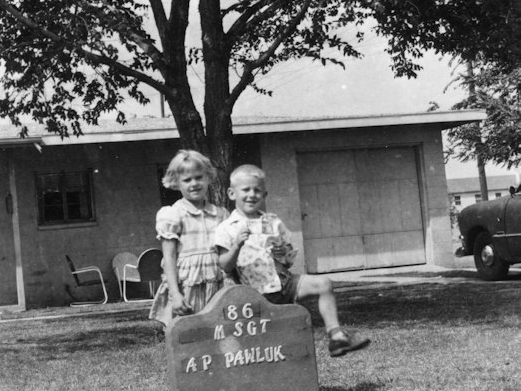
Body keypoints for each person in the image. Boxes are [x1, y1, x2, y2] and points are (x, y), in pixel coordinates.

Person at [214, 164, 370, 357]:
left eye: (257, 190)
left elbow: (288, 261)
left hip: (285, 283)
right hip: (255, 293)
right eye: (245, 190)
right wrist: (237, 245)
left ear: (265, 195)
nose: (252, 195)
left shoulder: (273, 222)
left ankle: (336, 337)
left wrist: (282, 252)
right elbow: (225, 265)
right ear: (231, 193)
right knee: (270, 343)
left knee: (324, 283)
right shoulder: (227, 228)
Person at [149, 150, 230, 326]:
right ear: (177, 183)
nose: (194, 184)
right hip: (188, 287)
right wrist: (175, 294)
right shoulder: (173, 215)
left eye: (199, 177)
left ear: (208, 177)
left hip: (218, 285)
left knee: (220, 336)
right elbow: (169, 257)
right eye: (187, 180)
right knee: (189, 335)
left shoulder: (220, 214)